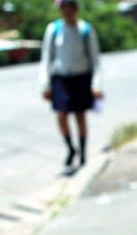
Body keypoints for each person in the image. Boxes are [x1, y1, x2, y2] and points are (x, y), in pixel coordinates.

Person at [39, 0, 102, 168]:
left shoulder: (85, 30)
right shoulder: (54, 30)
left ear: (75, 9)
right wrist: (45, 84)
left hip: (80, 77)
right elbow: (46, 58)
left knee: (80, 116)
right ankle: (70, 148)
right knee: (61, 115)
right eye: (63, 10)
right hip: (61, 77)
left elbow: (95, 60)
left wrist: (96, 85)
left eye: (69, 9)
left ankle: (82, 152)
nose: (66, 13)